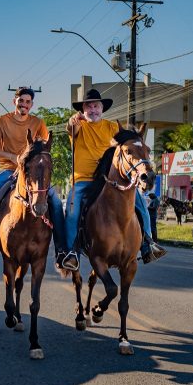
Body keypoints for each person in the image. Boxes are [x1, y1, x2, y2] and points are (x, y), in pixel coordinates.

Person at [0, 87, 77, 271]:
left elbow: (43, 148)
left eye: (27, 102)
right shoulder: (2, 121)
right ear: (14, 101)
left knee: (56, 203)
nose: (23, 104)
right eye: (21, 101)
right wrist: (12, 157)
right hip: (8, 169)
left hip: (32, 173)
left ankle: (61, 251)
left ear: (31, 105)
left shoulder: (38, 123)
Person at [65, 88, 166, 264]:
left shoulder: (112, 127)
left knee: (141, 203)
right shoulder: (77, 126)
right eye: (88, 107)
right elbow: (71, 129)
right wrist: (72, 121)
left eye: (96, 106)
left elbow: (128, 143)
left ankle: (148, 244)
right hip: (84, 179)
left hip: (109, 179)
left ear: (102, 108)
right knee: (72, 212)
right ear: (82, 110)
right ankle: (71, 252)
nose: (93, 110)